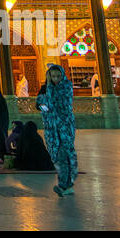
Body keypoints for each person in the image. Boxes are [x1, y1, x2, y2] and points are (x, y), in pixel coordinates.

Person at [37, 62, 76, 197]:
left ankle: (65, 184)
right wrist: (44, 107)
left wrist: (48, 88)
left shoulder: (66, 87)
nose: (56, 79)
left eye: (58, 76)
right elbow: (39, 104)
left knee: (64, 153)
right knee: (56, 155)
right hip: (51, 127)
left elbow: (58, 101)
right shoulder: (45, 88)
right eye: (53, 76)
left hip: (65, 126)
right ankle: (66, 184)